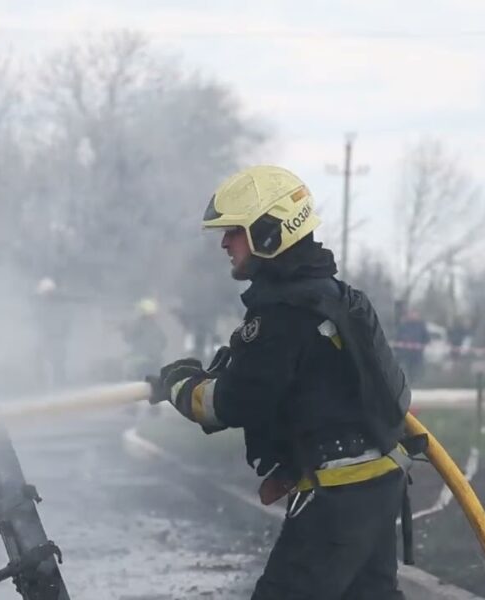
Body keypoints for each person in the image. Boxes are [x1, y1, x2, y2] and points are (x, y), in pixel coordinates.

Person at [148, 165, 415, 600]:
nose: (224, 243)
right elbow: (330, 398)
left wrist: (178, 383)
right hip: (379, 481)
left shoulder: (283, 315)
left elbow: (227, 404)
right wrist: (291, 465)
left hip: (337, 495)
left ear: (268, 232)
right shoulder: (339, 298)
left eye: (233, 232)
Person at [121, 298, 168, 380]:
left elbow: (127, 338)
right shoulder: (153, 326)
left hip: (145, 362)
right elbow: (164, 341)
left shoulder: (139, 325)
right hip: (151, 361)